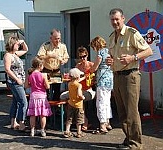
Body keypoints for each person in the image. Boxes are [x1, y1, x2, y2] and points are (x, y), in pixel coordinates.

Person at [106, 8, 153, 149]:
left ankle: (136, 143)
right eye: (112, 20)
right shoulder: (111, 37)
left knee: (132, 112)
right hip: (117, 76)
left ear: (123, 18)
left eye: (117, 19)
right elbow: (114, 58)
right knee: (122, 112)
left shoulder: (131, 33)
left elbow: (148, 51)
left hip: (130, 76)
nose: (115, 22)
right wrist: (111, 61)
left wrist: (133, 57)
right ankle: (128, 139)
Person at [60, 46, 96, 131]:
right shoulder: (77, 66)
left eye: (84, 56)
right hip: (78, 89)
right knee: (63, 96)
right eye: (80, 57)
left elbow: (94, 78)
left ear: (87, 55)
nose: (82, 58)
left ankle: (84, 121)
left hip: (88, 89)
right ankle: (71, 118)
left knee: (78, 98)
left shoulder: (91, 65)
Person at [3, 36, 28, 131]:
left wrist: (22, 42)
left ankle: (13, 122)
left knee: (16, 102)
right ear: (12, 44)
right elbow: (7, 69)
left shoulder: (15, 54)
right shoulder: (8, 55)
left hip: (19, 81)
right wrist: (17, 79)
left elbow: (26, 49)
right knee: (23, 102)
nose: (18, 46)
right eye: (17, 44)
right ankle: (22, 123)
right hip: (14, 82)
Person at [37, 28, 69, 100]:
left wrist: (64, 61)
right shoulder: (45, 46)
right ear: (51, 38)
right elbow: (39, 57)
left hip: (57, 71)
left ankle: (56, 109)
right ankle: (46, 107)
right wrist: (49, 56)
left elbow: (66, 57)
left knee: (57, 91)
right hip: (46, 70)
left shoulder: (63, 46)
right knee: (46, 90)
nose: (58, 41)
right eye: (55, 39)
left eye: (59, 38)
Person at [90, 36, 113, 133]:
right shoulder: (109, 51)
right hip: (110, 79)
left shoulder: (100, 53)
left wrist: (91, 70)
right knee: (107, 101)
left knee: (100, 102)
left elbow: (95, 67)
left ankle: (102, 125)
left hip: (102, 80)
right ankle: (108, 122)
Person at [26, 57, 52, 137]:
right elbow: (47, 87)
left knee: (33, 114)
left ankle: (32, 130)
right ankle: (42, 130)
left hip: (33, 96)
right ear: (40, 65)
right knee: (42, 114)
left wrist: (33, 85)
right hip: (42, 96)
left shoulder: (30, 75)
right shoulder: (43, 75)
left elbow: (26, 85)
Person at [64, 68, 86, 138]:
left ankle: (67, 131)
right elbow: (79, 94)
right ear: (77, 77)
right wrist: (82, 97)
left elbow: (76, 81)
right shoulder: (79, 85)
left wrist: (84, 77)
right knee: (79, 119)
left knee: (69, 118)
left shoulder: (70, 84)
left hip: (71, 103)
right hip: (78, 105)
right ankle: (79, 132)